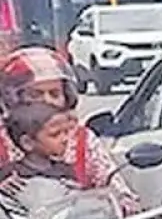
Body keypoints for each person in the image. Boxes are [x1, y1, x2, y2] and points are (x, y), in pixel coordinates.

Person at [0, 48, 121, 188]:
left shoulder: (83, 139)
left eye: (55, 94)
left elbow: (118, 194)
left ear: (67, 97)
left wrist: (85, 195)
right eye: (35, 95)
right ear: (13, 99)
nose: (47, 101)